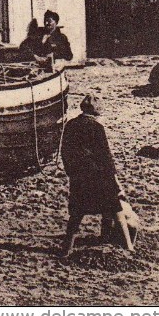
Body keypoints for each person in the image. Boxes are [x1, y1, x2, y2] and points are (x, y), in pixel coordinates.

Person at [60, 95, 126, 257]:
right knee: (113, 205)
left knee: (77, 211)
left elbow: (65, 151)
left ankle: (67, 248)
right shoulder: (97, 128)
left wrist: (71, 171)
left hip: (79, 175)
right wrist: (115, 179)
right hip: (99, 174)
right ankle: (122, 244)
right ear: (97, 112)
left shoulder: (70, 125)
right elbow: (106, 156)